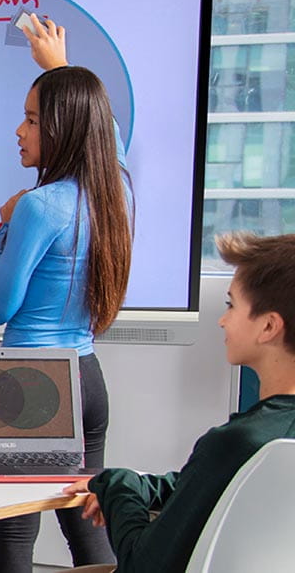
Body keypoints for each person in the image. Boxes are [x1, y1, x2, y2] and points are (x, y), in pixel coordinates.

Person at [0, 16, 132, 572]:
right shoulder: (116, 194)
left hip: (29, 383)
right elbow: (104, 134)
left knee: (14, 539)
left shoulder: (39, 207)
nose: (19, 131)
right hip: (87, 378)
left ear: (62, 130)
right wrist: (60, 70)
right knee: (86, 527)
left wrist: (6, 229)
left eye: (31, 119)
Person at [61, 232, 295, 572]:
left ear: (269, 326)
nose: (223, 319)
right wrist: (139, 484)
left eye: (231, 305)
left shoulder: (234, 443)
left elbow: (142, 564)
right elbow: (211, 488)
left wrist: (116, 487)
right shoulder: (264, 445)